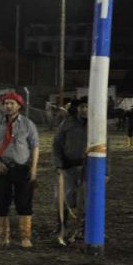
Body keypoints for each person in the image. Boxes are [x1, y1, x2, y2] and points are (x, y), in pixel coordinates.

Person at [0, 92, 39, 248]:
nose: (8, 106)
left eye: (12, 103)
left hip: (23, 169)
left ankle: (25, 237)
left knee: (24, 203)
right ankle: (3, 236)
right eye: (6, 103)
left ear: (19, 106)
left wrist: (34, 170)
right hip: (3, 169)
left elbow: (35, 147)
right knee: (1, 202)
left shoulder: (28, 124)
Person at [52, 97, 88, 241]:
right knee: (63, 197)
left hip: (88, 169)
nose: (85, 109)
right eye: (82, 106)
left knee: (86, 199)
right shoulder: (66, 124)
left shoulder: (97, 125)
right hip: (68, 167)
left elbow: (106, 148)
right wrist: (58, 164)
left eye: (87, 106)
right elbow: (57, 144)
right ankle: (61, 225)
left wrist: (106, 171)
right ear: (77, 108)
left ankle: (83, 228)